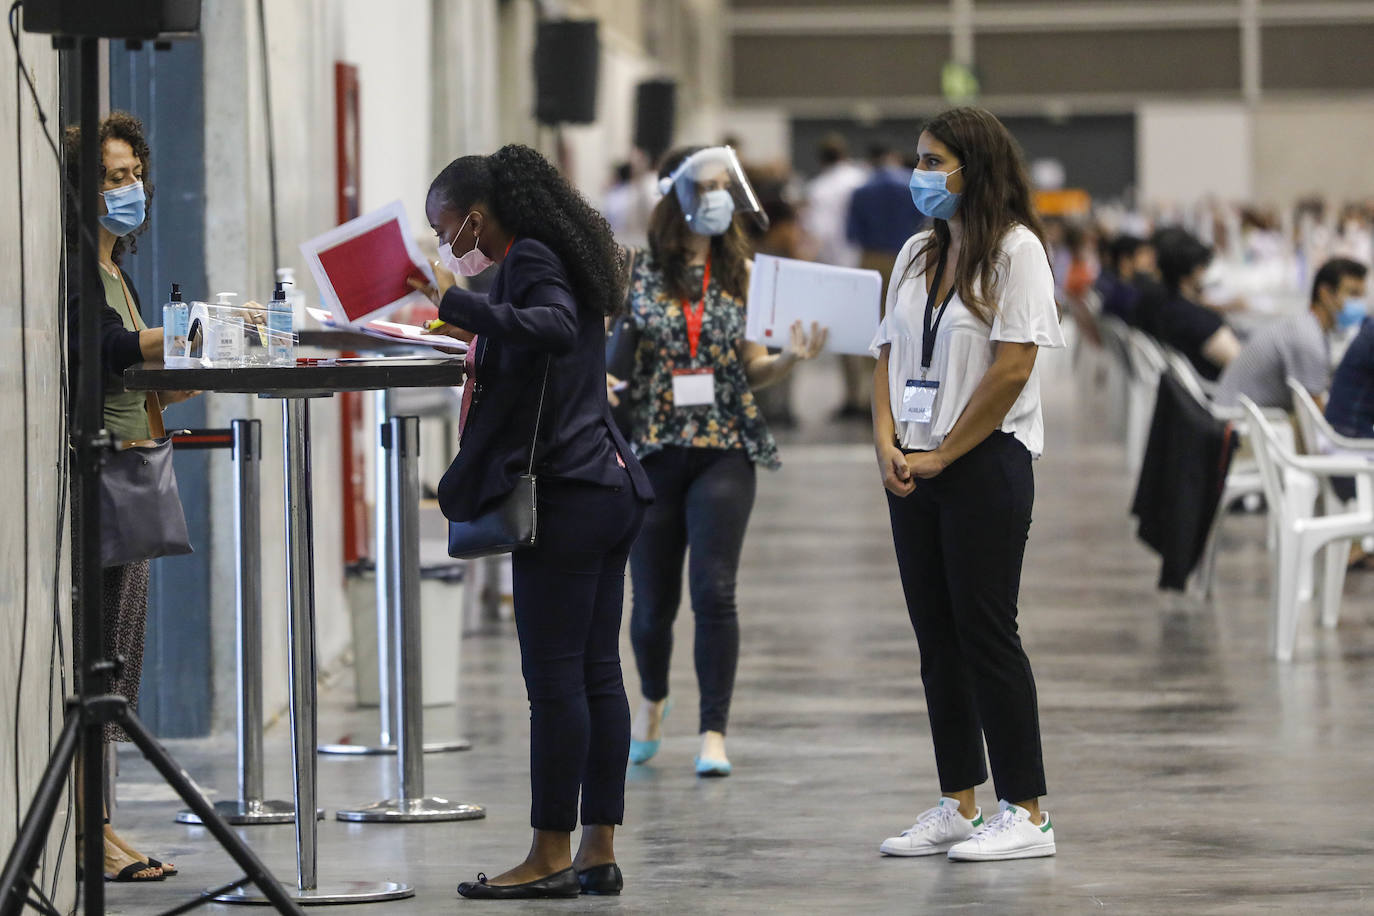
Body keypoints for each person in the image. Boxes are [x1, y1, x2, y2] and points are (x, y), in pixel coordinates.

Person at [415, 145, 653, 900]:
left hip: (566, 493)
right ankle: (597, 848)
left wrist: (452, 299)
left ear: (478, 216)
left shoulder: (532, 257)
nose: (451, 246)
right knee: (595, 675)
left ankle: (549, 852)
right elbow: (543, 343)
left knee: (554, 684)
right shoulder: (558, 254)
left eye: (449, 230)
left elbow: (547, 325)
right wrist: (466, 329)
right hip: (605, 487)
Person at [870, 107, 1063, 862]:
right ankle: (959, 802)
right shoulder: (918, 252)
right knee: (936, 638)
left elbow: (1014, 364)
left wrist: (948, 452)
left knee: (987, 633)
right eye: (919, 160)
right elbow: (885, 354)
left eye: (932, 161)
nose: (921, 175)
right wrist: (886, 441)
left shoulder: (1017, 253)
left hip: (983, 463)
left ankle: (1030, 811)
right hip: (913, 464)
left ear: (973, 168)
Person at [615, 146, 826, 778]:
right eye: (703, 186)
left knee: (715, 590)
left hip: (725, 448)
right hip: (653, 448)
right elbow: (617, 364)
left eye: (721, 186)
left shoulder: (744, 274)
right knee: (652, 604)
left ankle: (713, 729)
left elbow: (750, 365)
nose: (716, 197)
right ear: (673, 193)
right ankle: (653, 699)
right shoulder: (638, 273)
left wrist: (788, 359)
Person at [63, 112, 196, 883]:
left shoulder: (118, 269)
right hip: (102, 478)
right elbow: (100, 351)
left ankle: (105, 824)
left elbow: (133, 378)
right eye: (112, 177)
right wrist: (180, 331)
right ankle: (90, 832)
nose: (129, 188)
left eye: (133, 173)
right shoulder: (82, 266)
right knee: (98, 666)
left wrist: (183, 371)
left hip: (138, 463)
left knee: (122, 668)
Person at [1214, 258, 1368, 409]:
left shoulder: (1308, 327)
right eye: (1352, 294)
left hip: (1250, 417)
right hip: (1236, 423)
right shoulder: (1308, 338)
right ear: (1325, 293)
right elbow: (1313, 415)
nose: (1358, 304)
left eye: (1361, 296)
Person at [842, 144, 923, 419]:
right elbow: (922, 222)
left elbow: (851, 233)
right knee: (908, 325)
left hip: (871, 260)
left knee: (871, 328)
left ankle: (869, 398)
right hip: (907, 258)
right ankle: (904, 396)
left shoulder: (861, 191)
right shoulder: (909, 187)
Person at [1136, 227, 1241, 381]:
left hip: (1176, 392)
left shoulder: (1153, 303)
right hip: (1219, 396)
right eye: (1203, 268)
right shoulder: (1198, 320)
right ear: (1194, 272)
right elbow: (1244, 366)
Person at [1095, 234, 1155, 326]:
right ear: (1125, 260)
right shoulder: (1126, 295)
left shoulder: (1110, 283)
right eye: (1141, 254)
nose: (1149, 260)